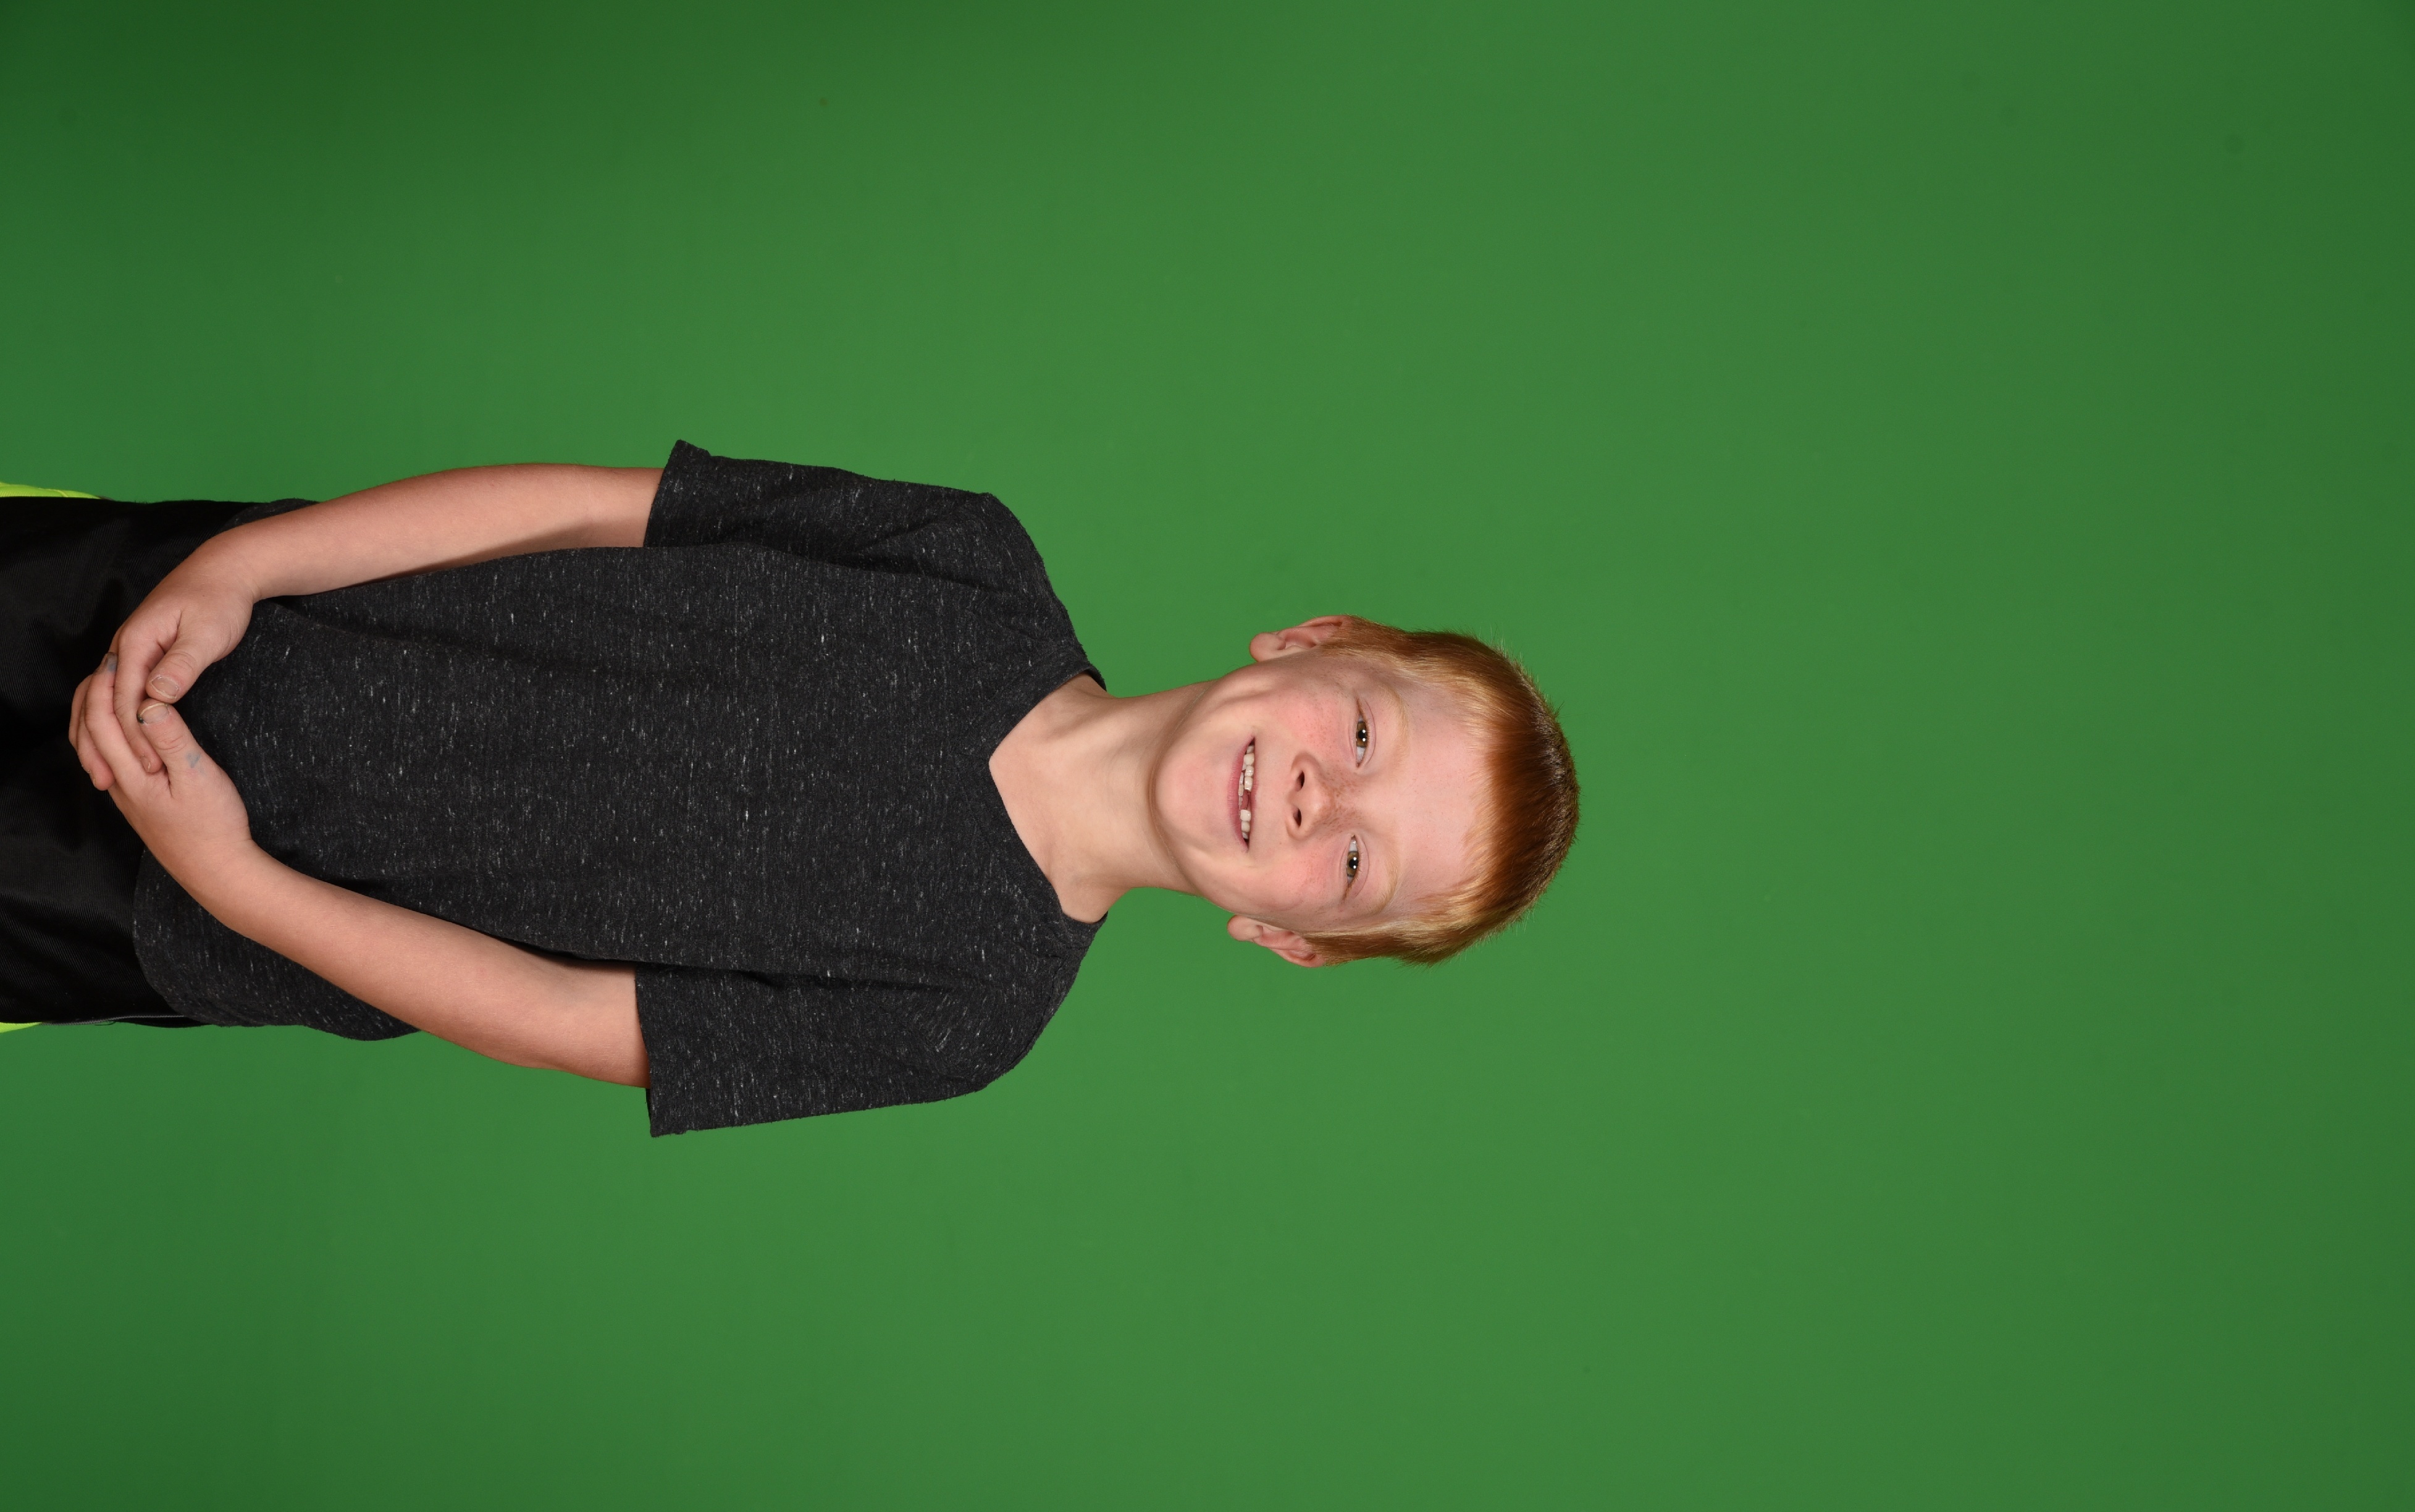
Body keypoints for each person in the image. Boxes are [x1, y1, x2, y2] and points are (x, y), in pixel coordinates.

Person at [4, 445, 1577, 1133]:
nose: (1316, 801)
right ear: (1315, 641)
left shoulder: (969, 1014)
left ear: (1290, 940)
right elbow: (584, 509)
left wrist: (232, 881)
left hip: (175, 898)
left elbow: (561, 1018)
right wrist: (242, 566)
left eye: (1355, 865)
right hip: (214, 601)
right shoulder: (969, 560)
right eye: (1360, 737)